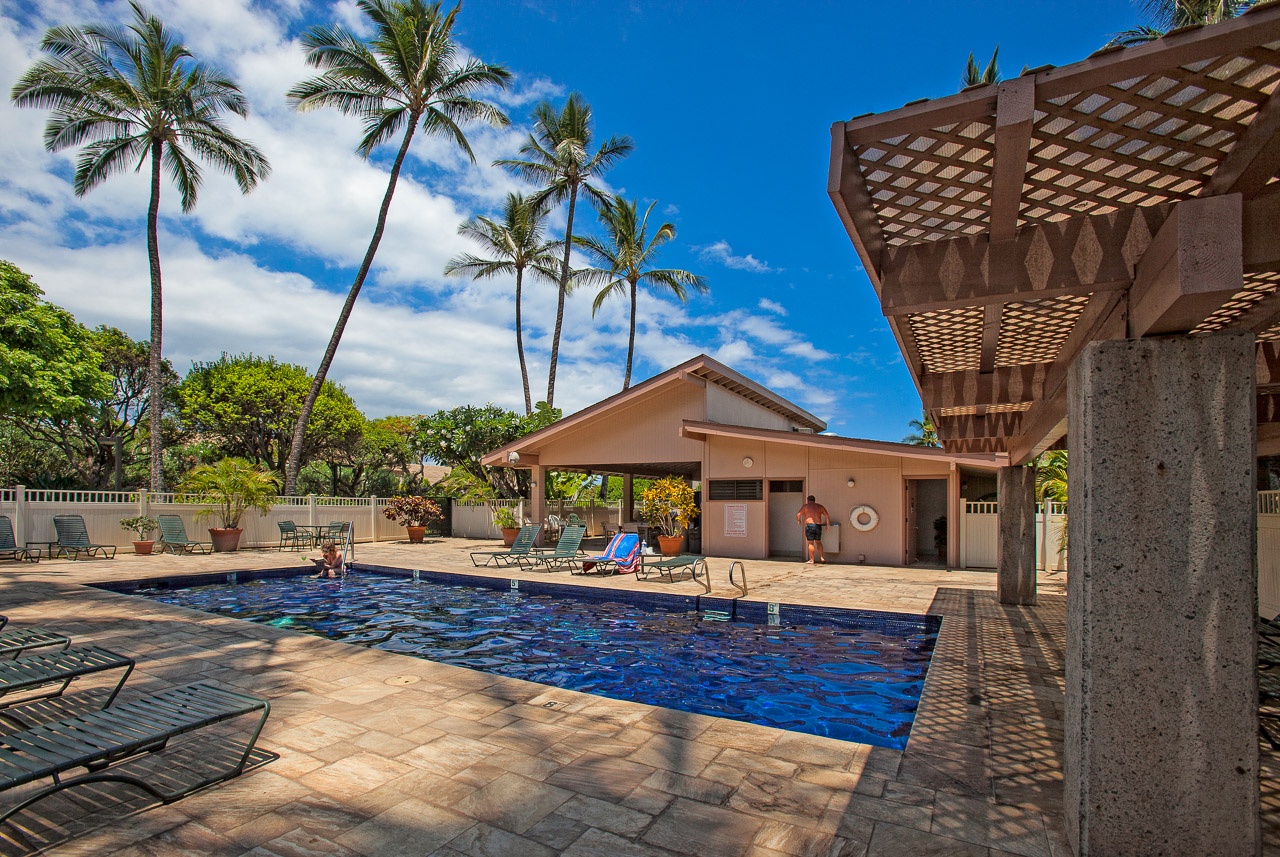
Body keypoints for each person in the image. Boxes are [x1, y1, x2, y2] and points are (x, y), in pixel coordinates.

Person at [796, 495, 830, 564]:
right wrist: (827, 524)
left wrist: (799, 521)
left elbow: (798, 514)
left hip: (810, 525)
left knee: (810, 543)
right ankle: (822, 557)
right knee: (818, 542)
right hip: (818, 525)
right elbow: (826, 515)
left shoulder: (805, 506)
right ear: (814, 500)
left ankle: (812, 560)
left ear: (808, 500)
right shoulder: (820, 506)